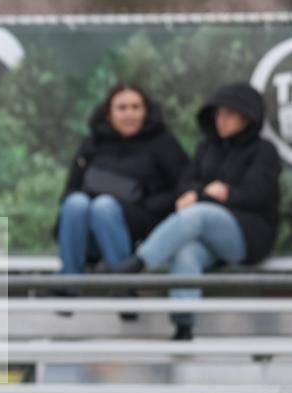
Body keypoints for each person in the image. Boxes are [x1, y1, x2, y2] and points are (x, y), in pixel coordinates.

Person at [110, 83, 281, 340]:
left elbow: (256, 195)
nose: (220, 121)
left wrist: (222, 194)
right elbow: (186, 183)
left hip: (249, 234)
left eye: (228, 114)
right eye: (218, 114)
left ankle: (139, 264)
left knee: (199, 213)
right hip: (210, 237)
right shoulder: (208, 148)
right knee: (186, 252)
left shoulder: (264, 152)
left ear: (246, 117)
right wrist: (201, 193)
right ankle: (184, 325)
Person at [56, 82, 188, 278]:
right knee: (75, 203)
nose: (129, 114)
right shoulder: (92, 144)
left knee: (104, 206)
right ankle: (68, 282)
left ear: (146, 110)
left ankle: (124, 285)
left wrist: (147, 203)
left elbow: (183, 187)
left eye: (136, 107)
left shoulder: (164, 143)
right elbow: (71, 189)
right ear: (109, 113)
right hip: (88, 221)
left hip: (142, 222)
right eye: (122, 108)